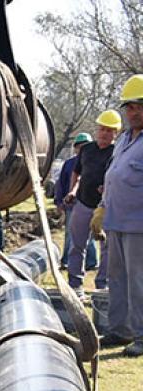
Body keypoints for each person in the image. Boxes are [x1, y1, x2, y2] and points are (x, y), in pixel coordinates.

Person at [95, 75, 143, 356]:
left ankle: (141, 336)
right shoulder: (125, 138)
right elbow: (113, 177)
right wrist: (102, 207)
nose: (131, 112)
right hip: (115, 221)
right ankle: (119, 330)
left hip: (139, 226)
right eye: (128, 107)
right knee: (117, 279)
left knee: (139, 281)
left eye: (136, 106)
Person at [65, 110, 120, 296]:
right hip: (83, 203)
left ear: (116, 133)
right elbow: (76, 172)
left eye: (109, 130)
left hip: (106, 208)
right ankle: (75, 285)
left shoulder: (117, 152)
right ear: (97, 130)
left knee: (107, 249)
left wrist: (108, 188)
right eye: (102, 129)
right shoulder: (87, 149)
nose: (104, 133)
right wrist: (72, 191)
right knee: (77, 245)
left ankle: (102, 286)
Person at [57, 133, 98, 272]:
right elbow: (61, 183)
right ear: (75, 149)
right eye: (80, 147)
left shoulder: (95, 162)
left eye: (86, 146)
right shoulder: (69, 164)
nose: (82, 150)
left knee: (90, 234)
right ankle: (66, 261)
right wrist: (59, 201)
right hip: (71, 205)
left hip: (89, 203)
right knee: (70, 233)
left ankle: (91, 262)